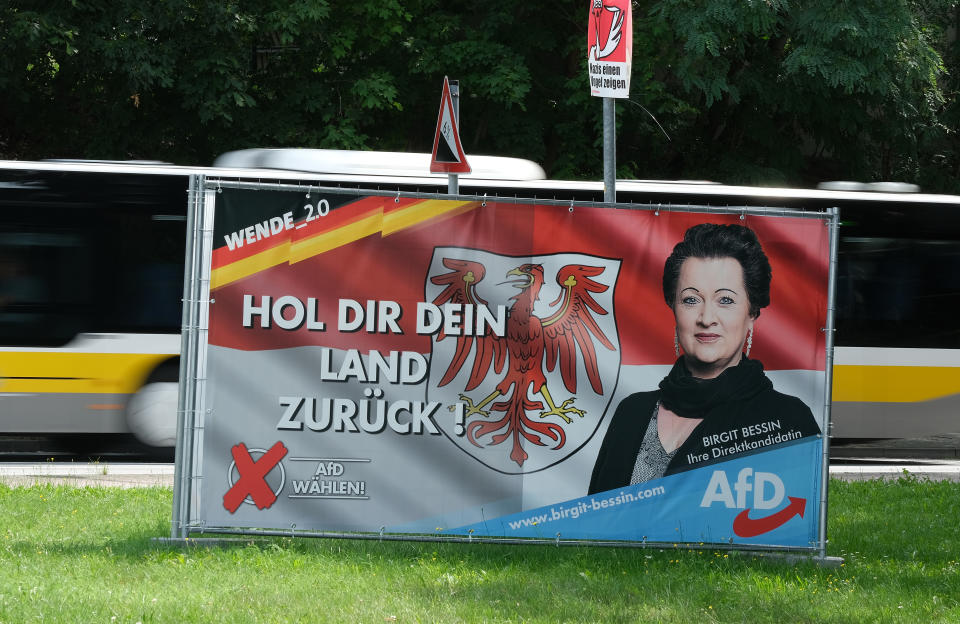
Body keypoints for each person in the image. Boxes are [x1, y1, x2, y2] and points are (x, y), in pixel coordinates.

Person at [588, 223, 820, 494]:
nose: (706, 318)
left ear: (752, 313)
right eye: (690, 300)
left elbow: (795, 524)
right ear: (673, 307)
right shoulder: (632, 412)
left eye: (725, 300)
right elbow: (594, 524)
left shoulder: (787, 421)